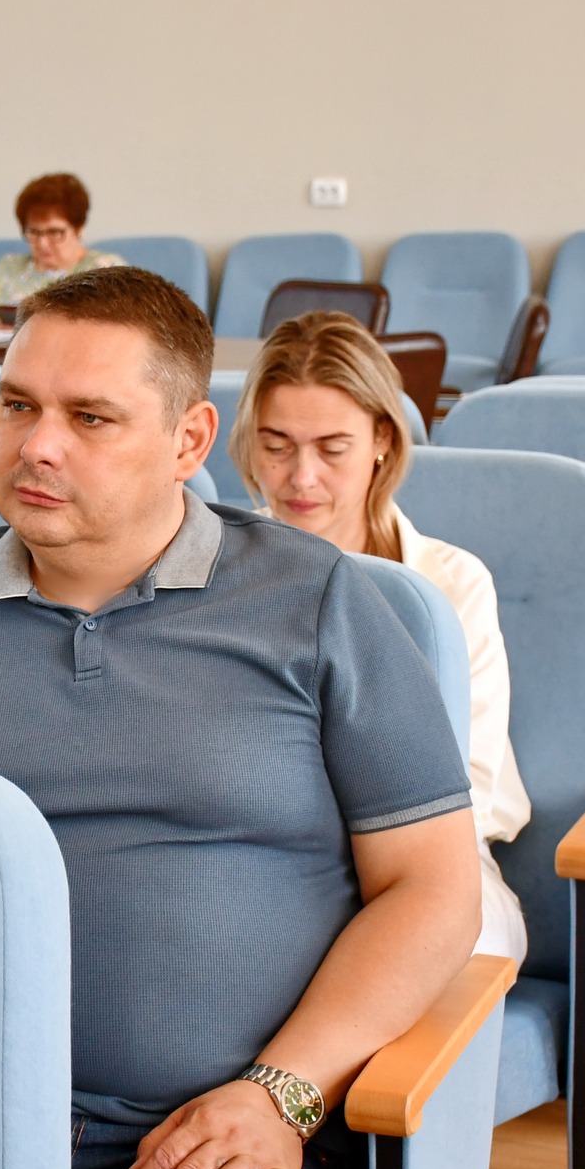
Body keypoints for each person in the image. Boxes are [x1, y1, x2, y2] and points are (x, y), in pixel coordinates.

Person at [0, 266, 479, 1169]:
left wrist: (281, 1094)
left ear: (190, 441)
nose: (37, 445)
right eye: (17, 406)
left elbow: (434, 888)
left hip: (204, 1148)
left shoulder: (316, 600)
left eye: (89, 417)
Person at [233, 311, 530, 962]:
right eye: (276, 446)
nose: (301, 477)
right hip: (266, 863)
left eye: (332, 449)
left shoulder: (452, 584)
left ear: (382, 442)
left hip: (436, 864)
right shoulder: (216, 571)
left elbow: (472, 781)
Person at [0, 172, 125, 329]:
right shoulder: (8, 267)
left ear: (79, 229)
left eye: (54, 232)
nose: (43, 244)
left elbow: (120, 333)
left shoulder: (106, 269)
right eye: (34, 232)